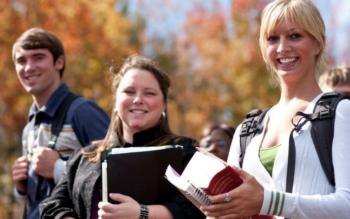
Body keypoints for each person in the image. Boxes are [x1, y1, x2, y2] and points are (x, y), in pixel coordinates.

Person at [200, 0, 350, 218]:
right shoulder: (246, 131)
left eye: (295, 36)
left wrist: (268, 201)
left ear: (319, 43)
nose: (282, 48)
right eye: (272, 38)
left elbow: (347, 204)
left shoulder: (340, 113)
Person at [39, 55, 205, 219]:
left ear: (163, 104)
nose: (138, 100)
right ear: (116, 101)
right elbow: (52, 205)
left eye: (149, 93)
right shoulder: (85, 156)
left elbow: (198, 207)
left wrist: (142, 213)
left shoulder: (186, 152)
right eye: (129, 92)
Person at [11, 27, 110, 219]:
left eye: (38, 57)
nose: (29, 67)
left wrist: (58, 168)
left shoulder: (82, 112)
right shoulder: (29, 127)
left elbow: (116, 172)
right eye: (21, 60)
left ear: (59, 62)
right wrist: (21, 187)